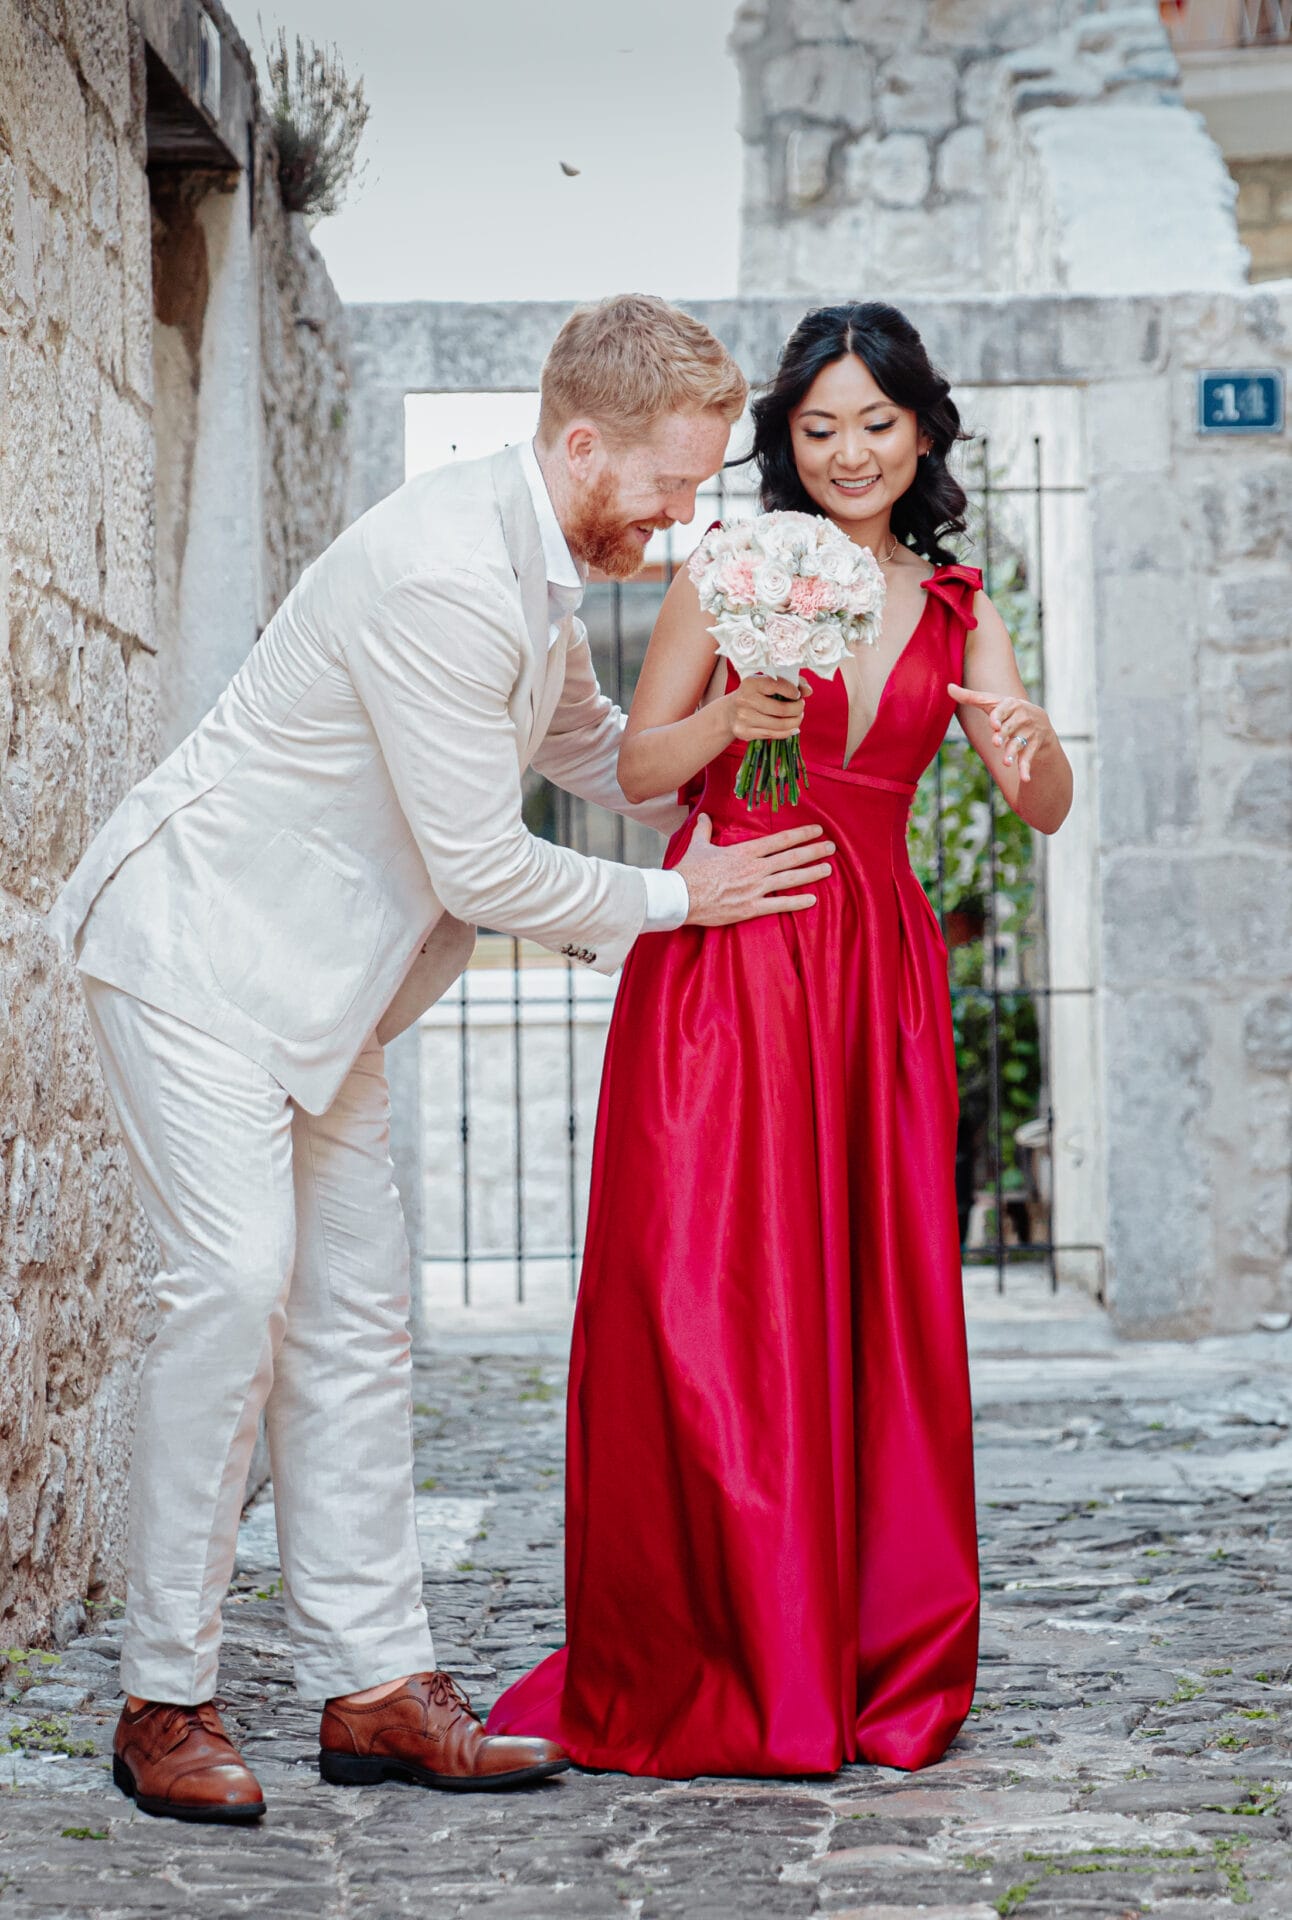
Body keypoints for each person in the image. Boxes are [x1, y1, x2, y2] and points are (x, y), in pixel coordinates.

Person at [45, 294, 835, 1823]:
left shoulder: (543, 575)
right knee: (231, 1294)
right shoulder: (452, 581)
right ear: (582, 439)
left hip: (327, 998)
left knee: (358, 1323)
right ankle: (164, 1697)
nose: (683, 522)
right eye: (673, 484)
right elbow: (482, 866)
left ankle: (376, 1686)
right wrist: (685, 898)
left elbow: (598, 762)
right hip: (200, 958)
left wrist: (738, 717)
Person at [489, 301, 1074, 1778]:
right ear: (785, 445)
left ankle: (872, 1647)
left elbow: (1044, 804)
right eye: (818, 428)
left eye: (876, 423)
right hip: (735, 946)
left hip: (875, 966)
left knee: (872, 1299)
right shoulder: (732, 570)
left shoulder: (958, 602)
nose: (849, 452)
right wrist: (735, 715)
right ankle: (733, 1639)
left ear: (922, 431)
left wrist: (1032, 752)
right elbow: (633, 764)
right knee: (708, 1298)